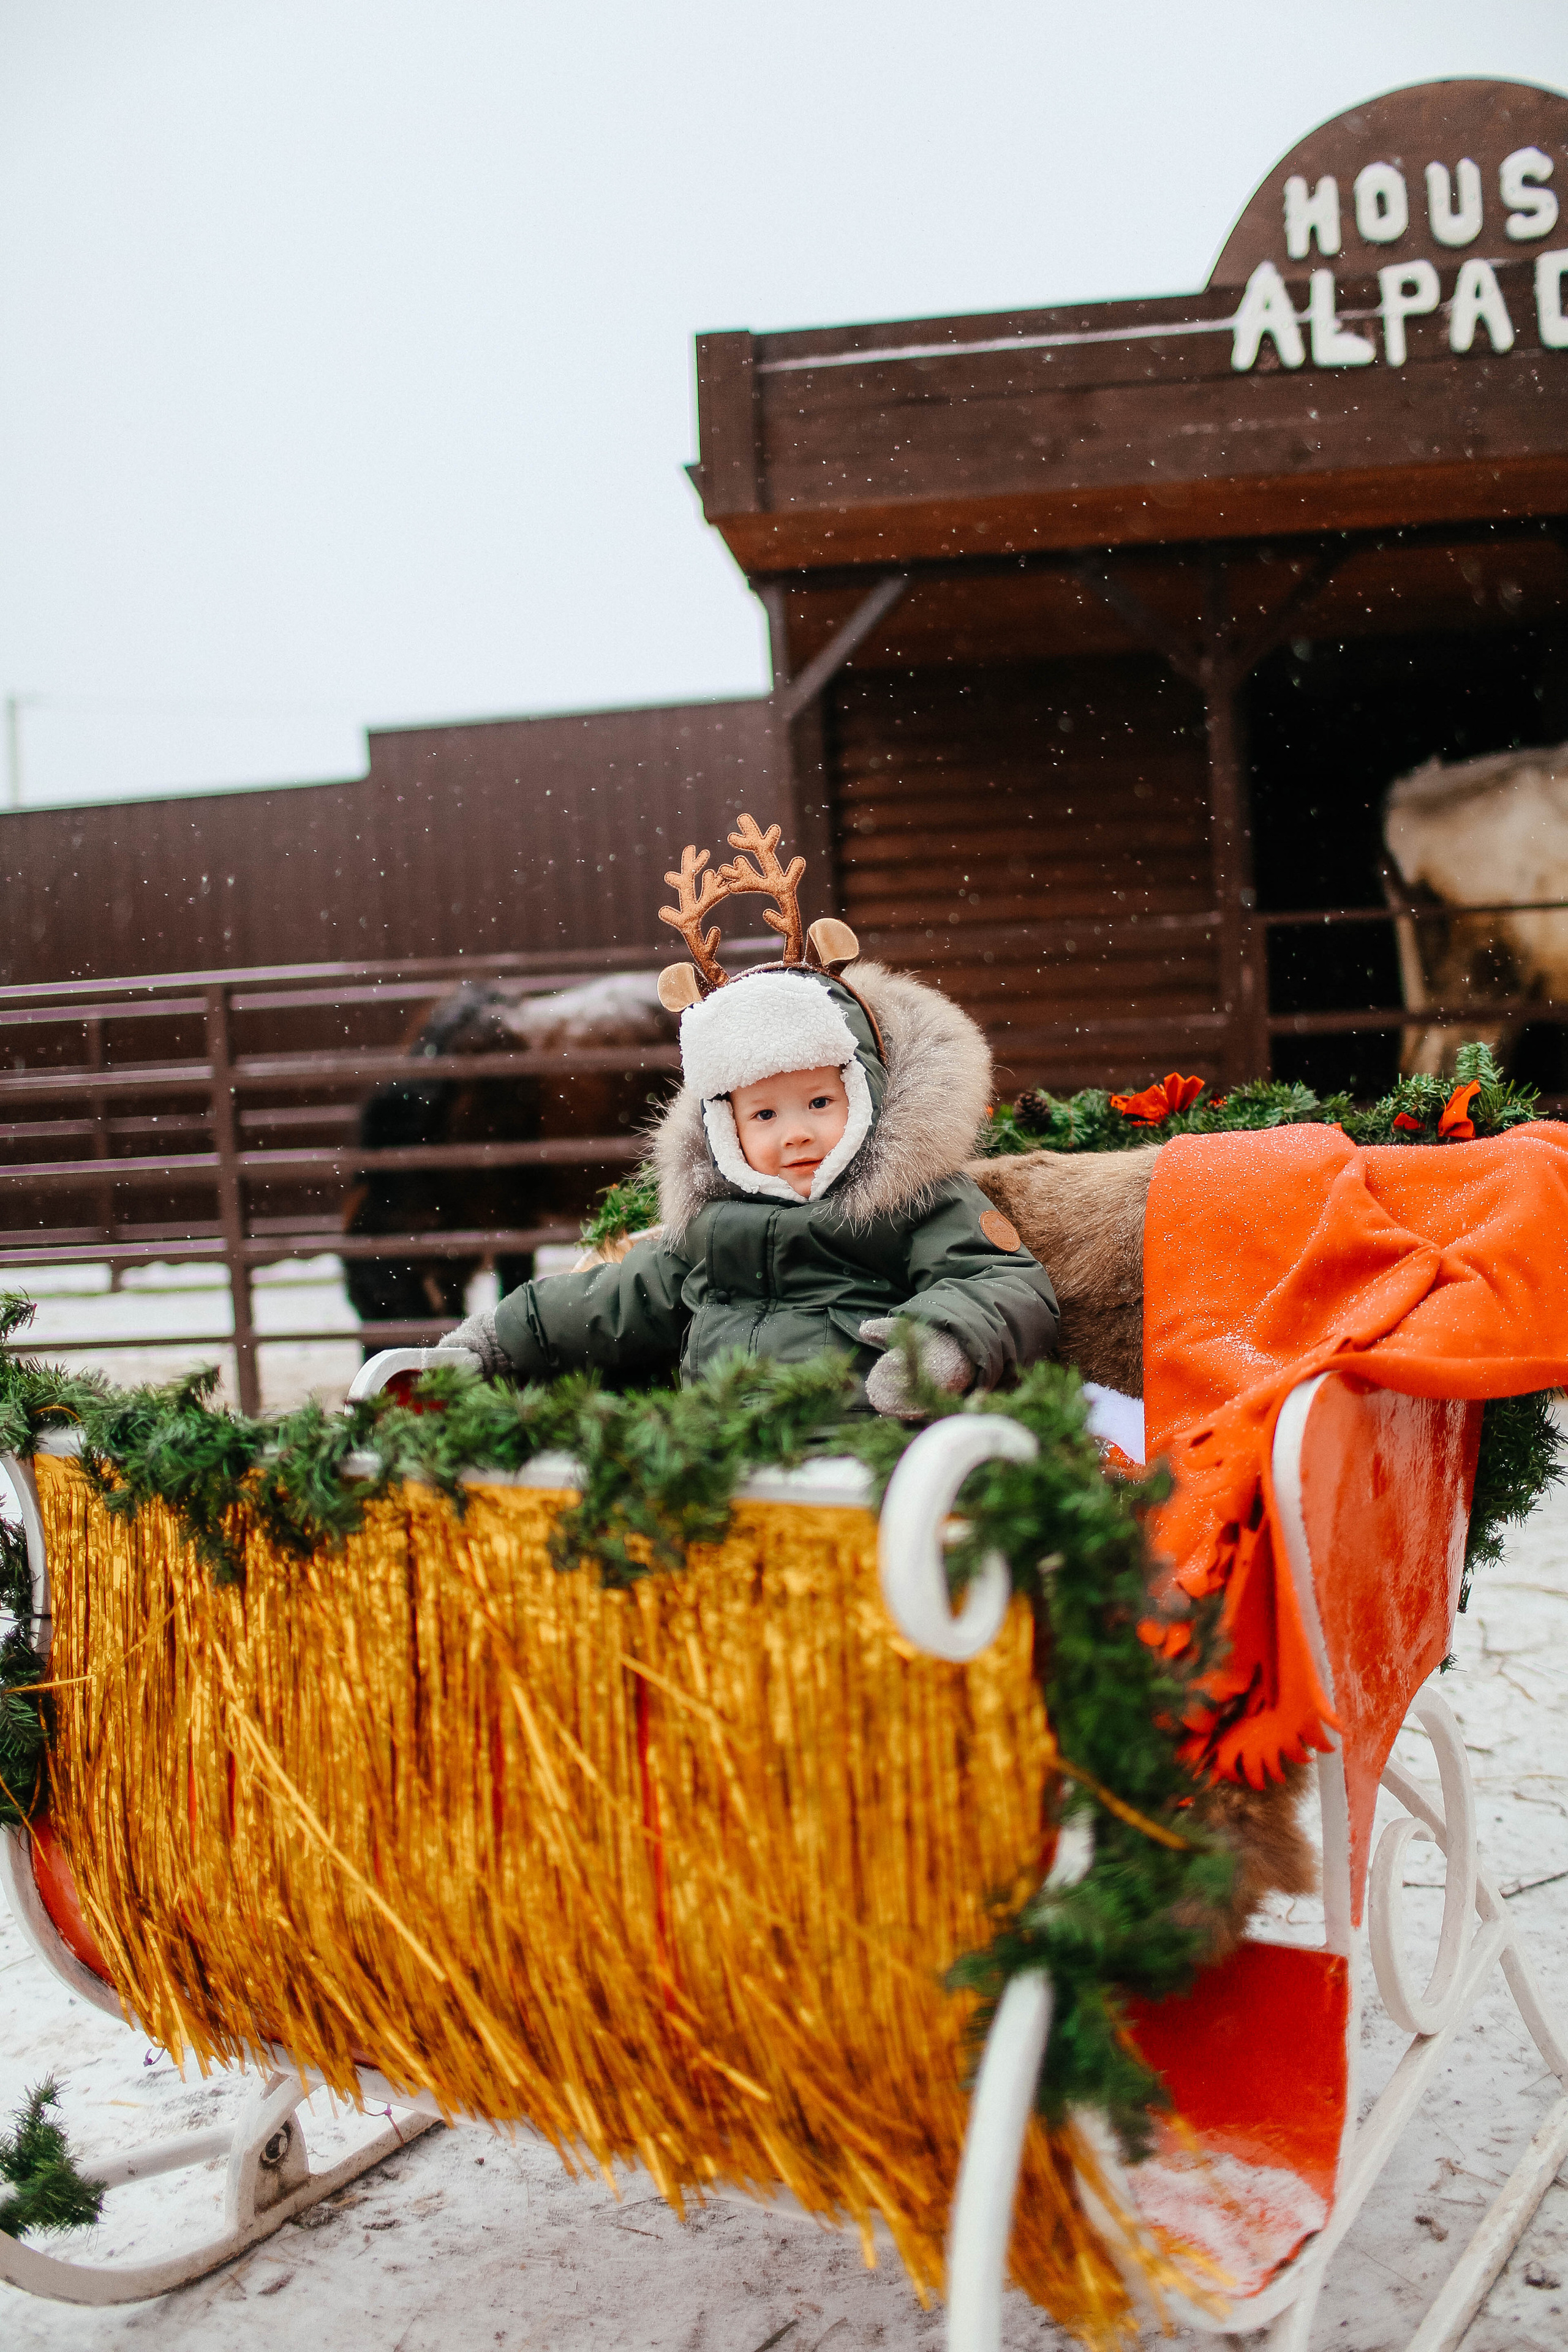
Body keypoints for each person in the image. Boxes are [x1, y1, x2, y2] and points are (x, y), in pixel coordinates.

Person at [444, 956, 1059, 1415]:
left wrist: (937, 1348)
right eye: (765, 1116)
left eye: (819, 1102)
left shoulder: (912, 1198)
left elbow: (998, 1279)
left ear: (864, 1092)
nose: (796, 1134)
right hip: (720, 1447)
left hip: (861, 1442)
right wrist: (501, 1337)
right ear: (725, 1127)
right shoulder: (709, 1228)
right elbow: (614, 1300)